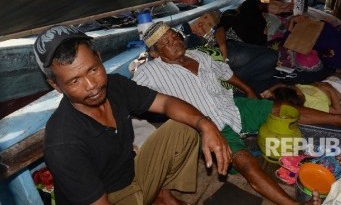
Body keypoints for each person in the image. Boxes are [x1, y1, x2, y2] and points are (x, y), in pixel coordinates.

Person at [133, 22, 341, 205]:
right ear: (155, 53)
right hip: (209, 127)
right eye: (165, 42)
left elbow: (225, 73)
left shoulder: (198, 55)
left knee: (281, 108)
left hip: (233, 106)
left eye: (174, 36)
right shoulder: (151, 73)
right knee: (246, 162)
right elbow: (126, 95)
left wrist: (249, 90)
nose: (174, 41)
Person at [33, 25, 231, 204]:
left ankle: (164, 196)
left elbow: (166, 103)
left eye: (93, 70)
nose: (92, 86)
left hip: (131, 174)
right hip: (108, 198)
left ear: (99, 58)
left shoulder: (115, 85)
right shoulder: (62, 142)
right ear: (56, 86)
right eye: (74, 81)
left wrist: (206, 124)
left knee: (185, 125)